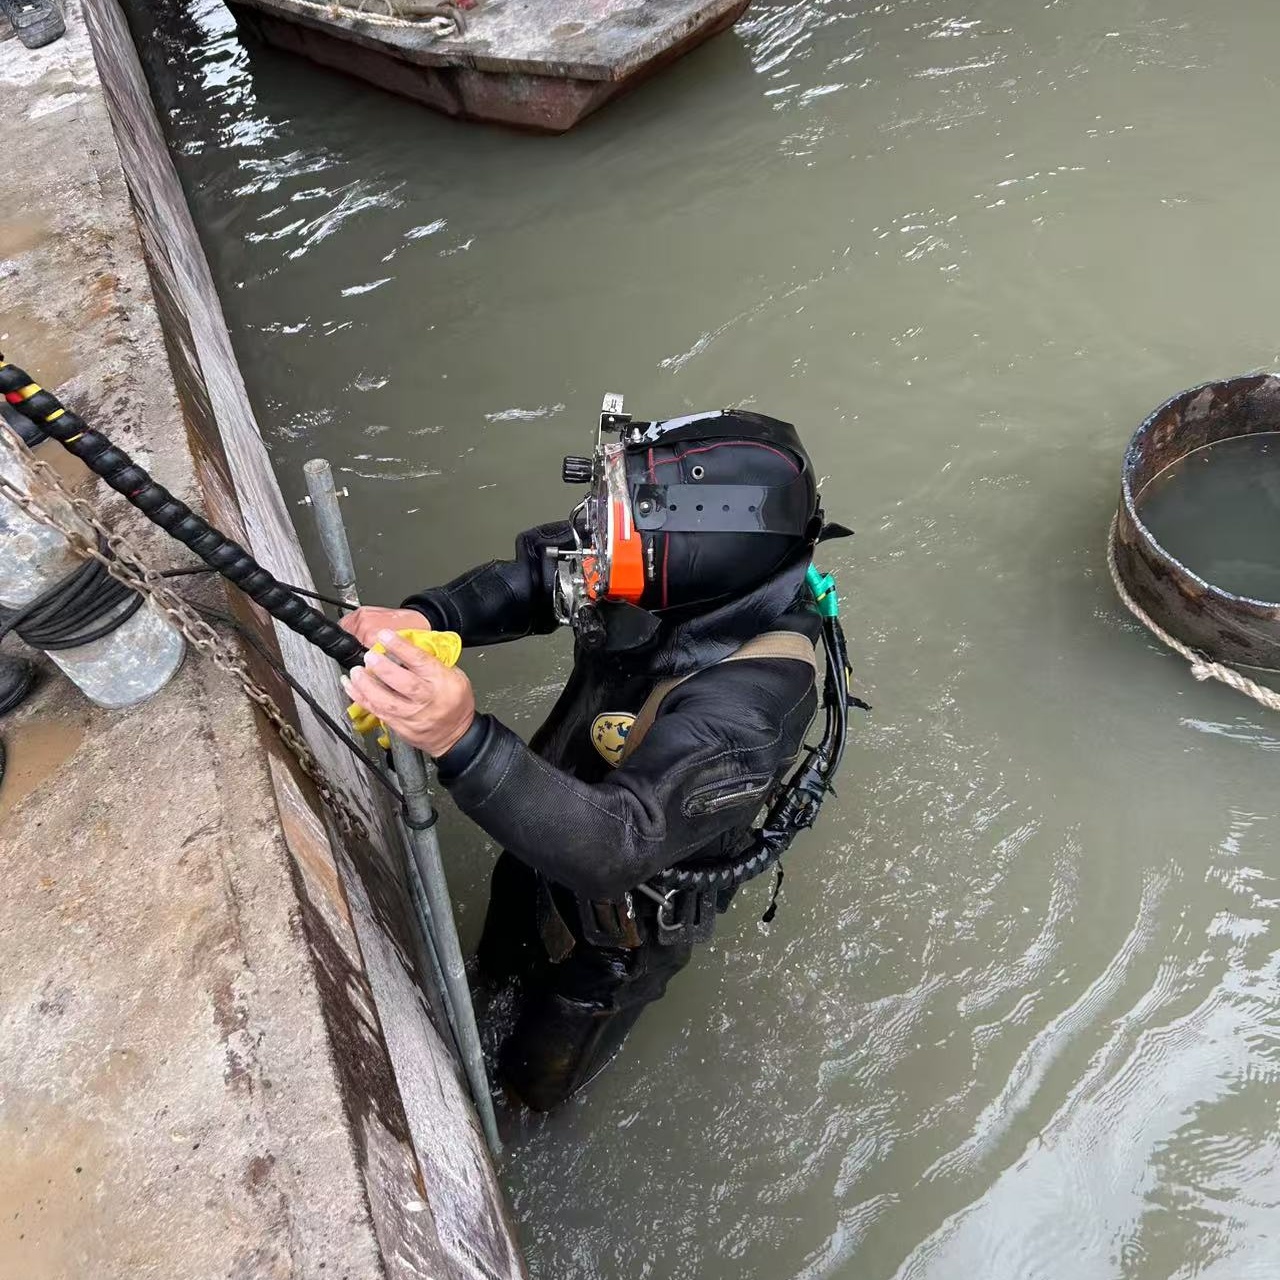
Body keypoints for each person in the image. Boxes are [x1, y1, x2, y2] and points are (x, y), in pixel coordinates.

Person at [341, 404, 850, 1111]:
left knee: (531, 1083)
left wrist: (461, 736)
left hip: (616, 934)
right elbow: (533, 578)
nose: (593, 542)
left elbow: (619, 841)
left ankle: (521, 1116)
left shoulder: (752, 706)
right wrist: (430, 617)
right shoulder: (644, 560)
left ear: (696, 555)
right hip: (542, 819)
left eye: (615, 531)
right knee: (499, 957)